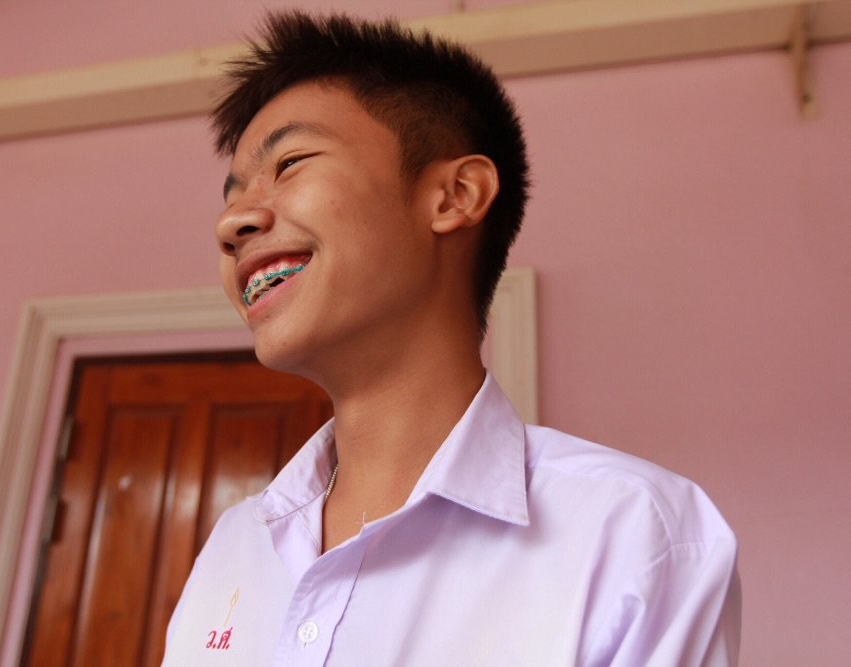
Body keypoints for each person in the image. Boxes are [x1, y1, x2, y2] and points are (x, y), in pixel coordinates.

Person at [162, 10, 740, 666]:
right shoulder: (234, 545)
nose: (231, 223)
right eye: (232, 195)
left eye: (290, 163)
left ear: (455, 195)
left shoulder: (637, 534)